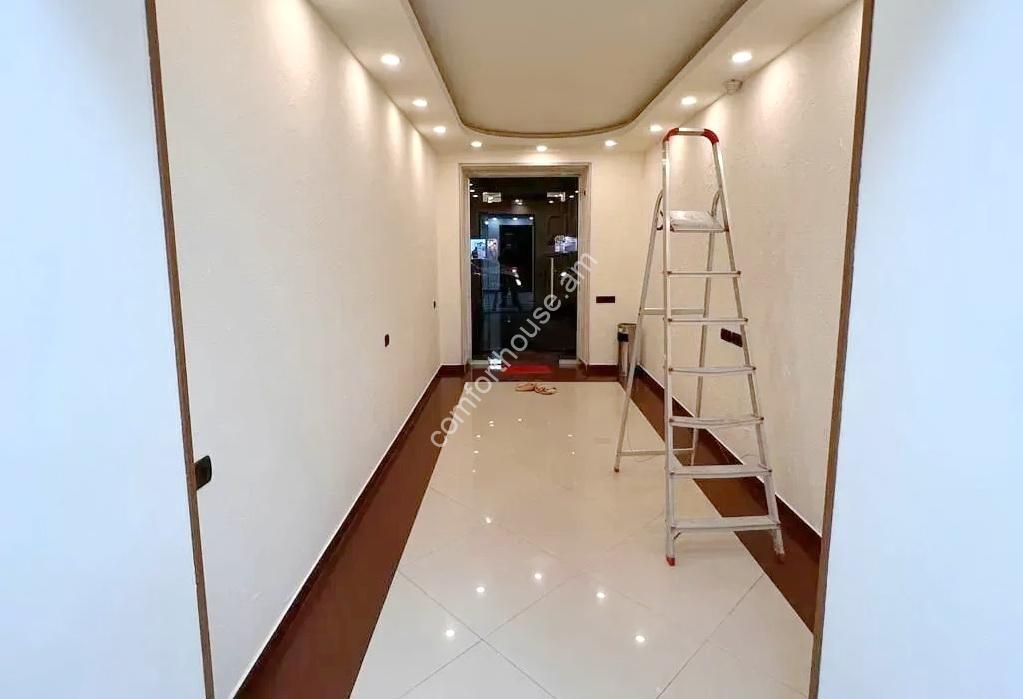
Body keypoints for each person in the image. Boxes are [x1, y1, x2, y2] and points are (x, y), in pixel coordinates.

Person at [498, 241, 522, 310]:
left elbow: (500, 259)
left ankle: (505, 302)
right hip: (511, 271)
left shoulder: (504, 252)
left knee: (505, 287)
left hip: (506, 271)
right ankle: (514, 301)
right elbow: (517, 260)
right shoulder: (513, 252)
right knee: (512, 287)